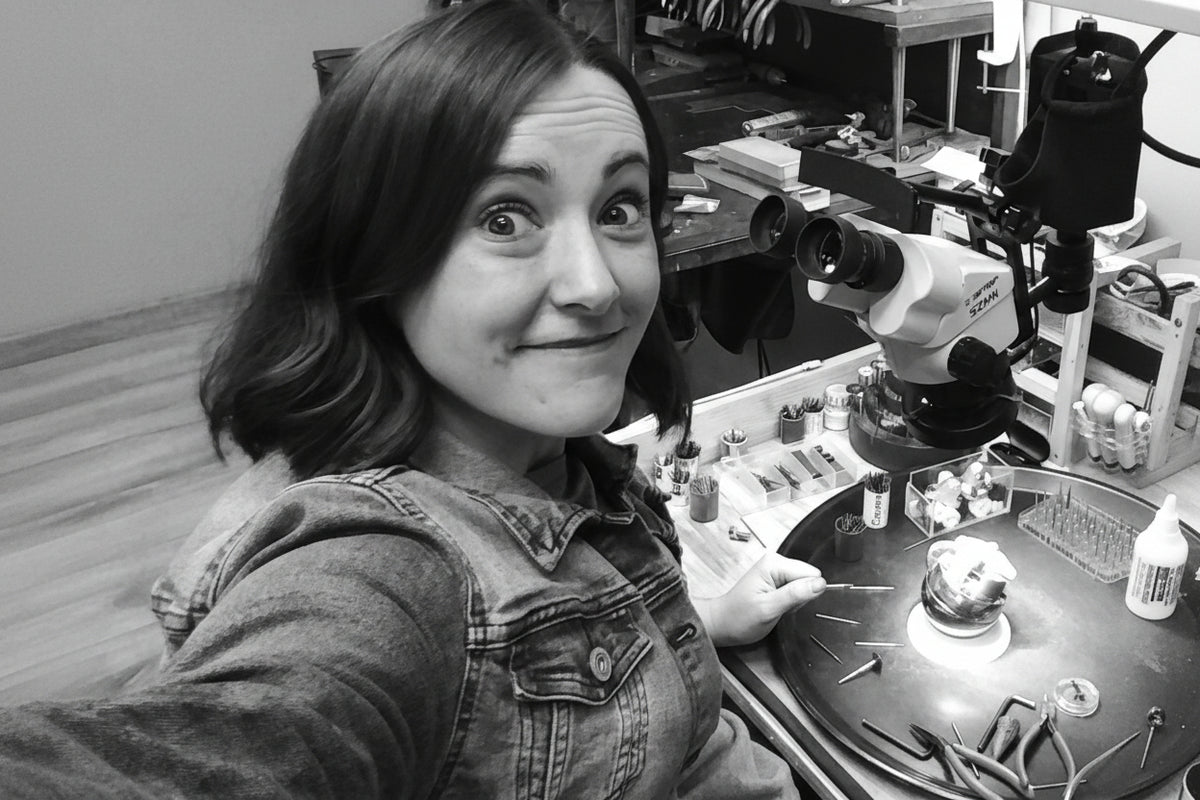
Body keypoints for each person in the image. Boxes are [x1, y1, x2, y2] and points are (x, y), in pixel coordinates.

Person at [0, 1, 827, 796]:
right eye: (506, 218)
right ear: (374, 259)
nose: (595, 284)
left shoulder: (547, 452)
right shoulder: (377, 576)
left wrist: (683, 624)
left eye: (617, 208)